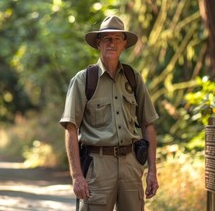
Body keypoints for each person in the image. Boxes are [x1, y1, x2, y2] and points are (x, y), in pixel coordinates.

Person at [60, 15, 159, 210]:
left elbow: (148, 125)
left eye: (117, 38)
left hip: (131, 165)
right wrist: (77, 176)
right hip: (98, 167)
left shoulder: (134, 78)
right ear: (98, 43)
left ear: (124, 44)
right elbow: (71, 129)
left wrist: (152, 171)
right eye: (106, 38)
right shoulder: (83, 80)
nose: (112, 43)